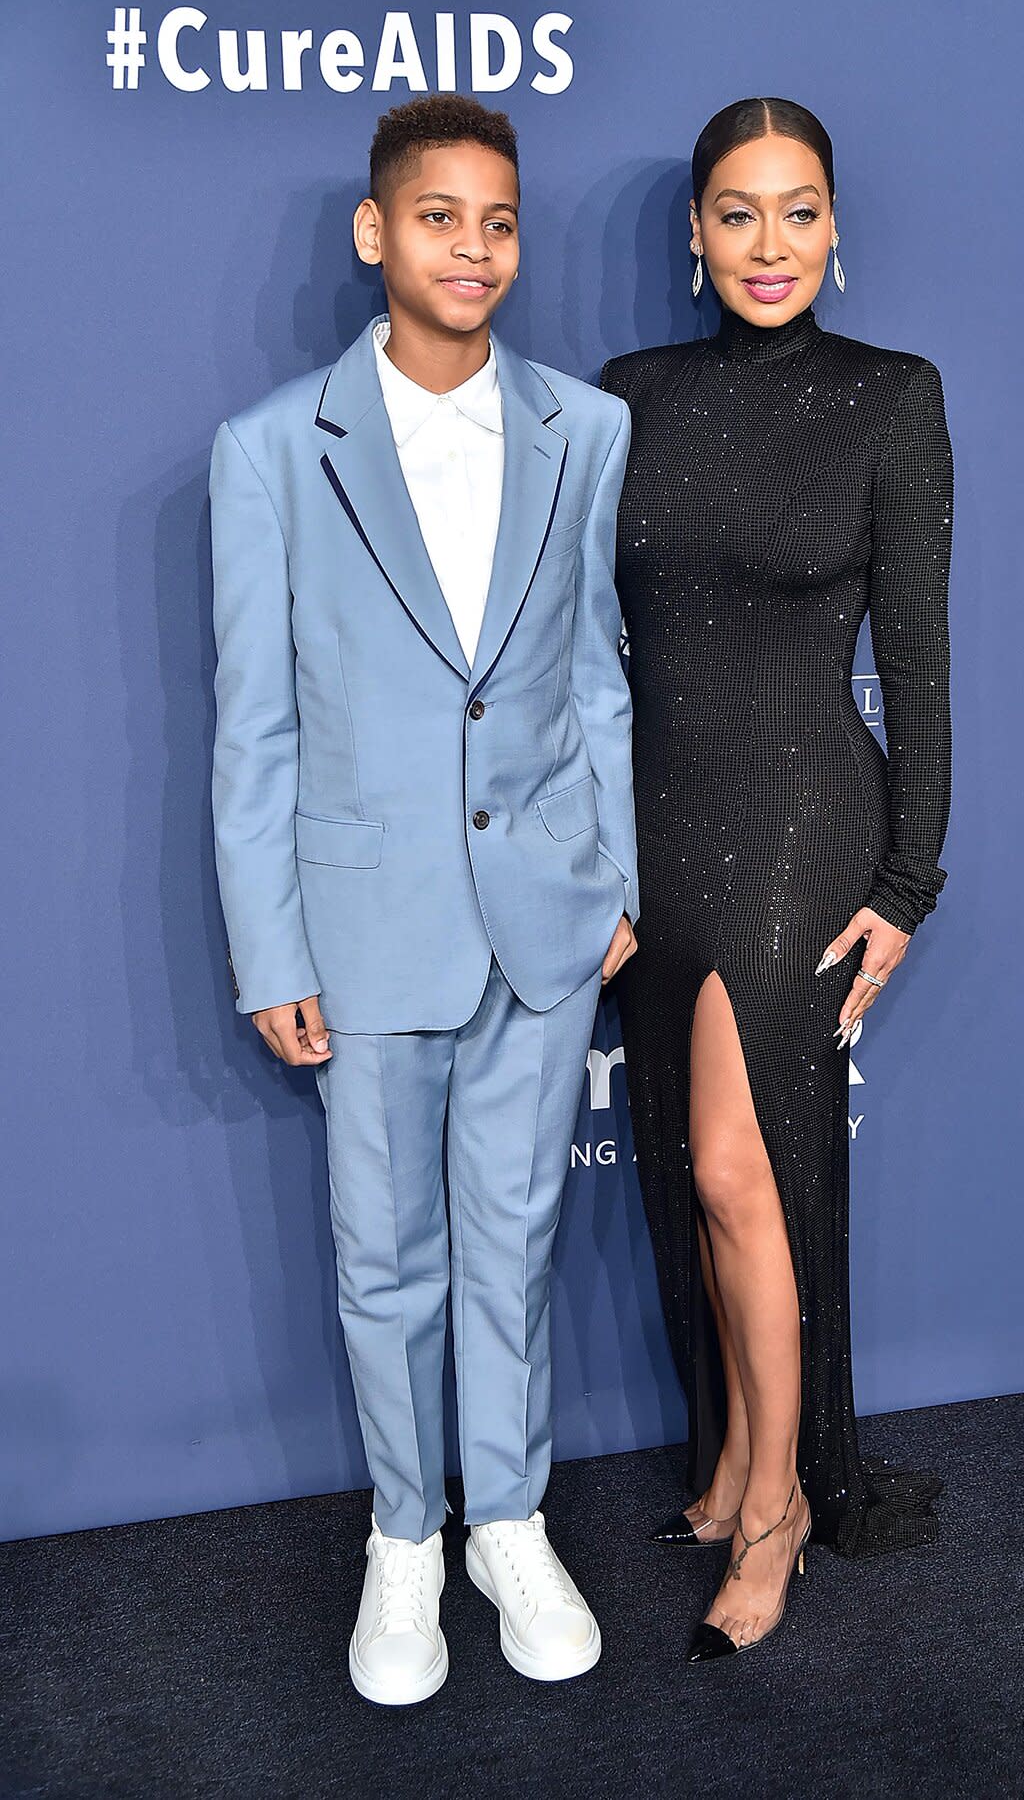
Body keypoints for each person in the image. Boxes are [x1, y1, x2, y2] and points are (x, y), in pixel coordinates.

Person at [208, 94, 637, 1704]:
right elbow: (254, 725)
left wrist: (616, 885)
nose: (476, 247)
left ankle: (508, 1519)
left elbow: (598, 678)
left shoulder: (583, 431)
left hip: (543, 920)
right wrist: (273, 942)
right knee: (386, 1256)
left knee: (513, 1244)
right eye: (442, 216)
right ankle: (406, 1539)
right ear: (376, 233)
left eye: (502, 220)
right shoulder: (271, 451)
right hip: (364, 922)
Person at [600, 95, 953, 1661]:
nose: (768, 243)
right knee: (689, 1174)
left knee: (745, 1173)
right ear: (692, 235)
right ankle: (741, 1450)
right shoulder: (627, 398)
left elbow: (922, 665)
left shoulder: (892, 399)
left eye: (797, 209)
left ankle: (786, 1505)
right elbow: (575, 655)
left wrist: (910, 875)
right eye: (735, 212)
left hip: (808, 818)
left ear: (836, 229)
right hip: (656, 821)